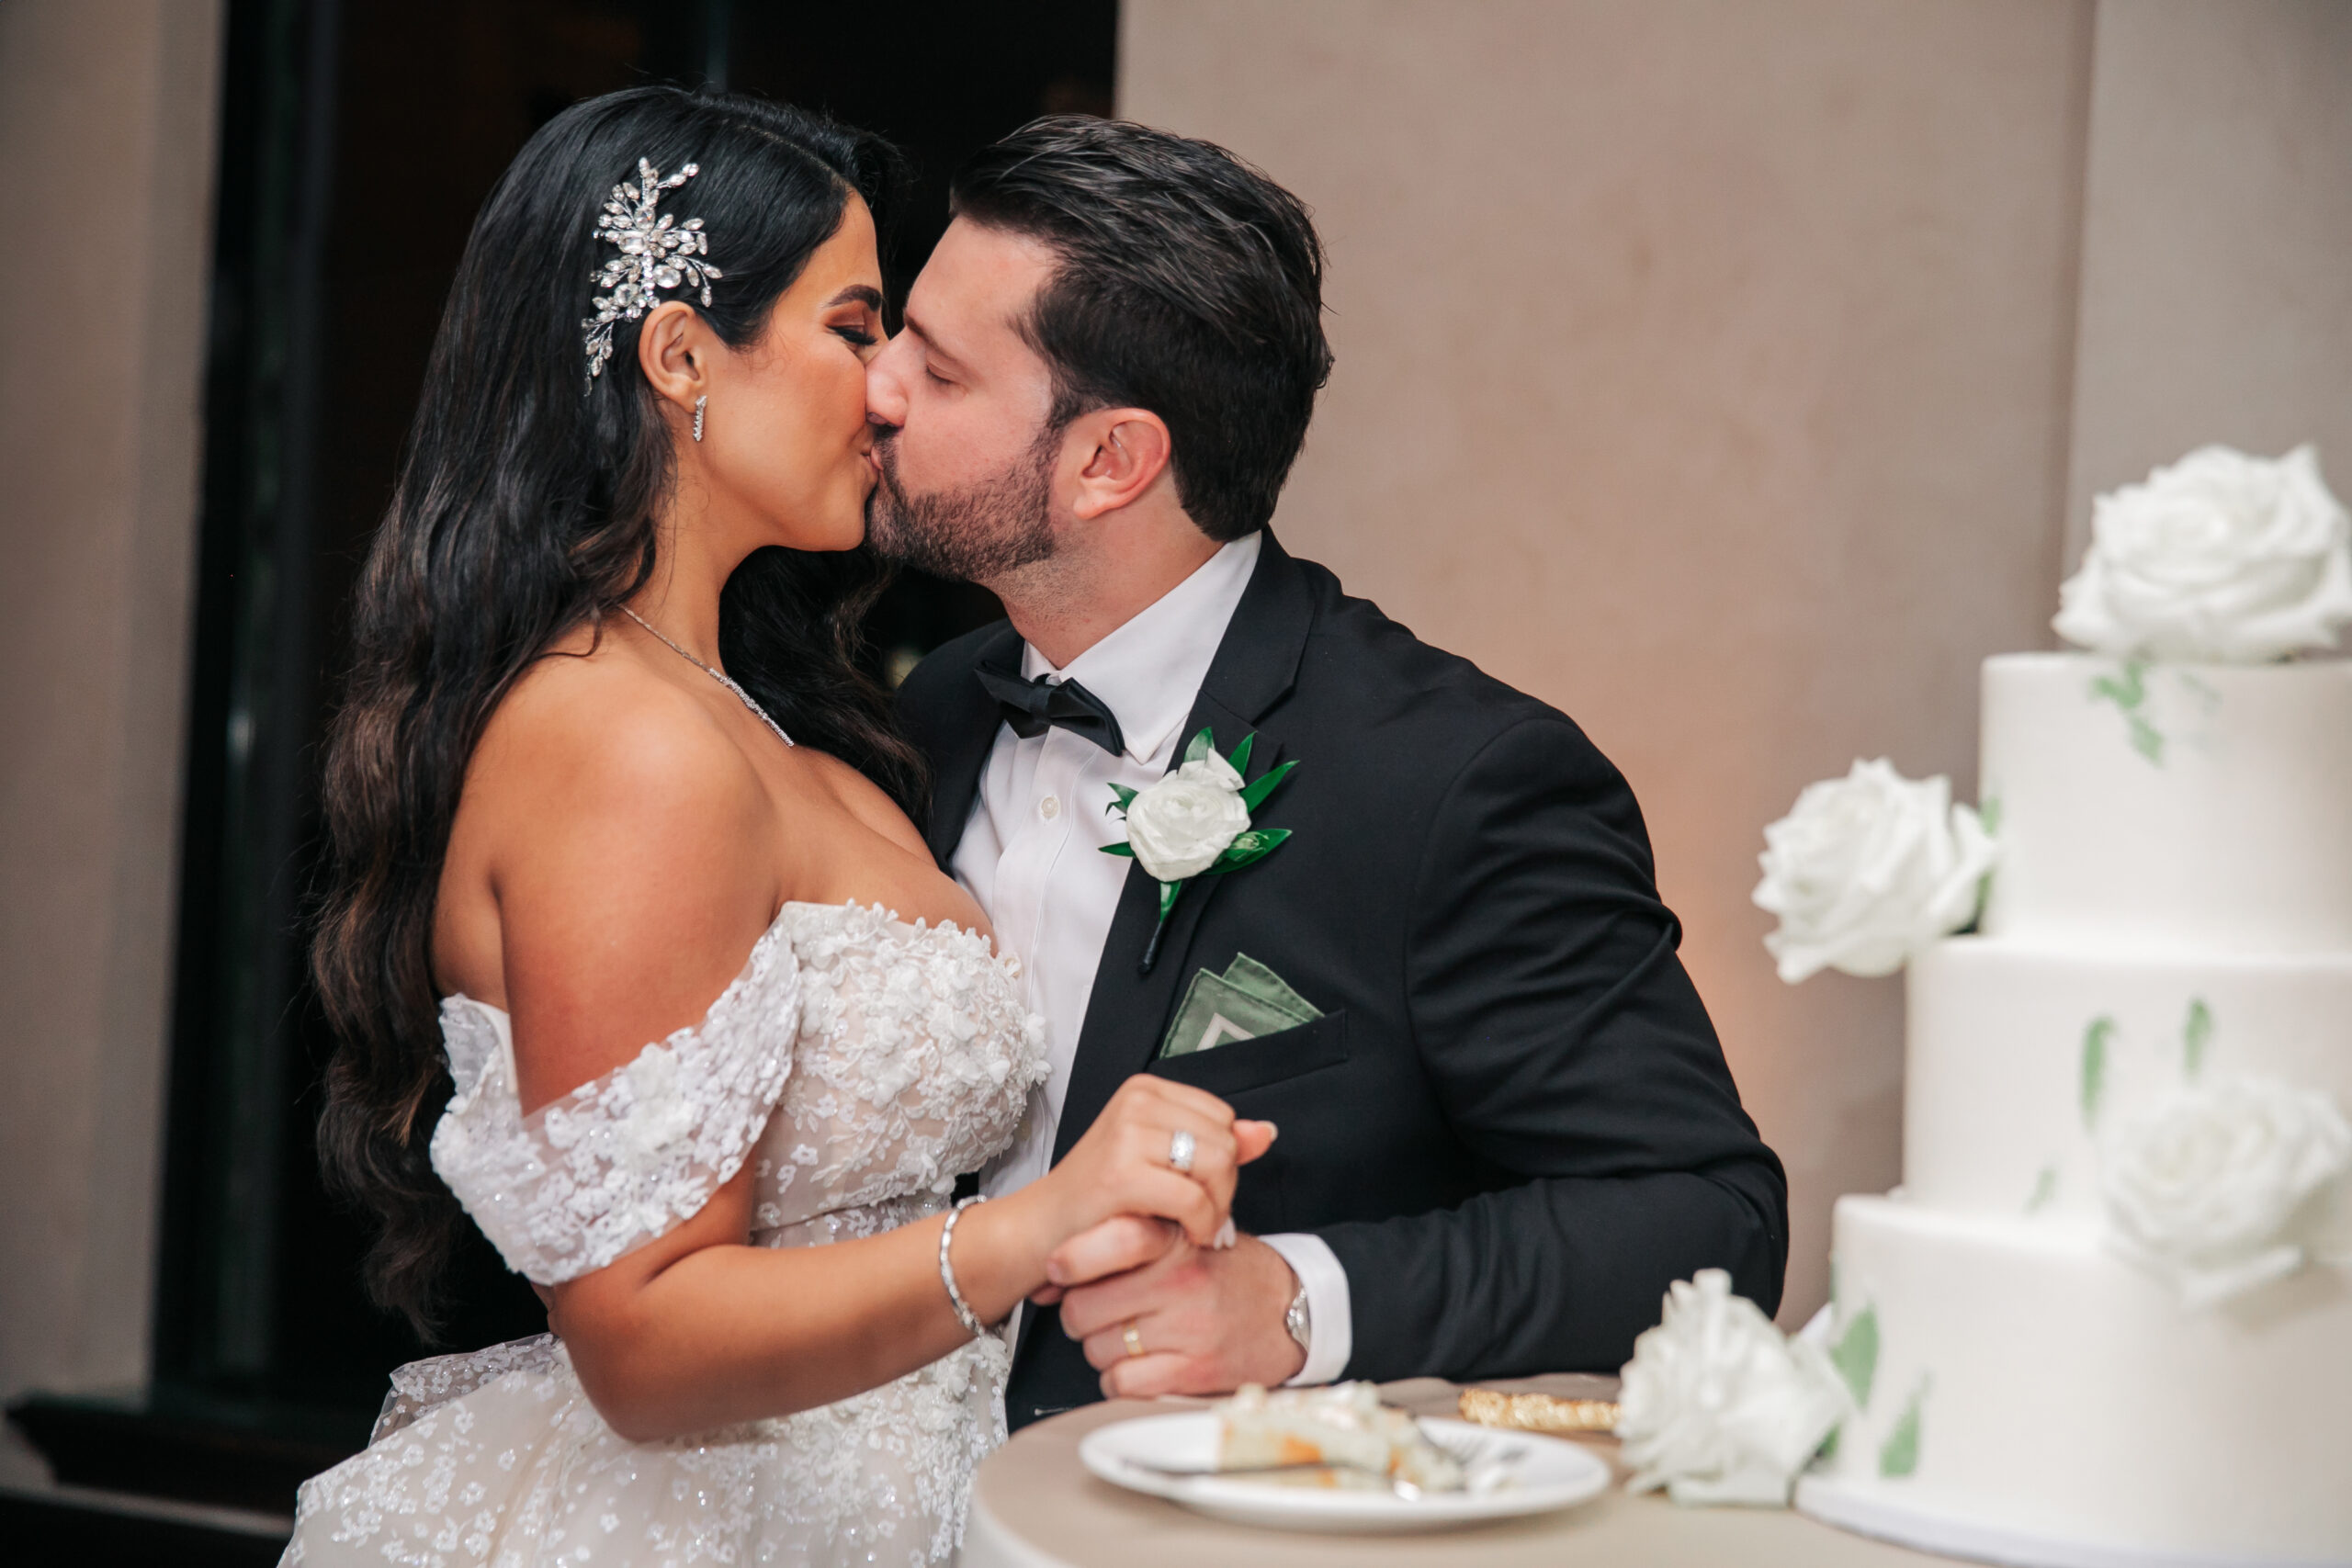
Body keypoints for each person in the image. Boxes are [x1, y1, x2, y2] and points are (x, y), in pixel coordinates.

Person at [282, 88, 1268, 1567]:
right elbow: (642, 1341)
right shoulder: (623, 745)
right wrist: (1038, 1227)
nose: (888, 391)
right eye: (857, 328)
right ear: (681, 356)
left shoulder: (774, 720)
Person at [876, 117, 1791, 1428]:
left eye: (939, 369)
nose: (878, 387)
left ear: (1109, 462)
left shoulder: (1455, 784)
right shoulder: (937, 711)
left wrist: (1299, 1302)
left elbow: (1707, 1222)